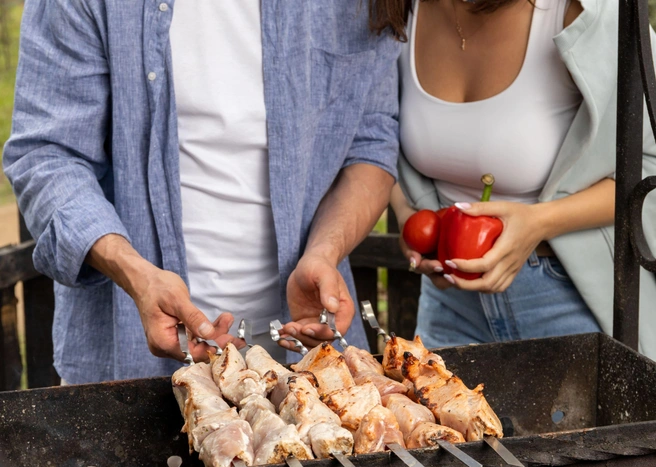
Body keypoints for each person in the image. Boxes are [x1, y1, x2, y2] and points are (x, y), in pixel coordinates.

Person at [3, 0, 400, 383]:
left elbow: (370, 144)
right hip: (126, 363)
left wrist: (323, 252)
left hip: (309, 367)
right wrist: (136, 275)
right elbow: (47, 155)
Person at [368, 0, 656, 358]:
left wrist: (539, 223)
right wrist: (410, 214)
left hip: (566, 298)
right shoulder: (400, 11)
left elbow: (649, 162)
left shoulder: (582, 12)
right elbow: (375, 135)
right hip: (448, 304)